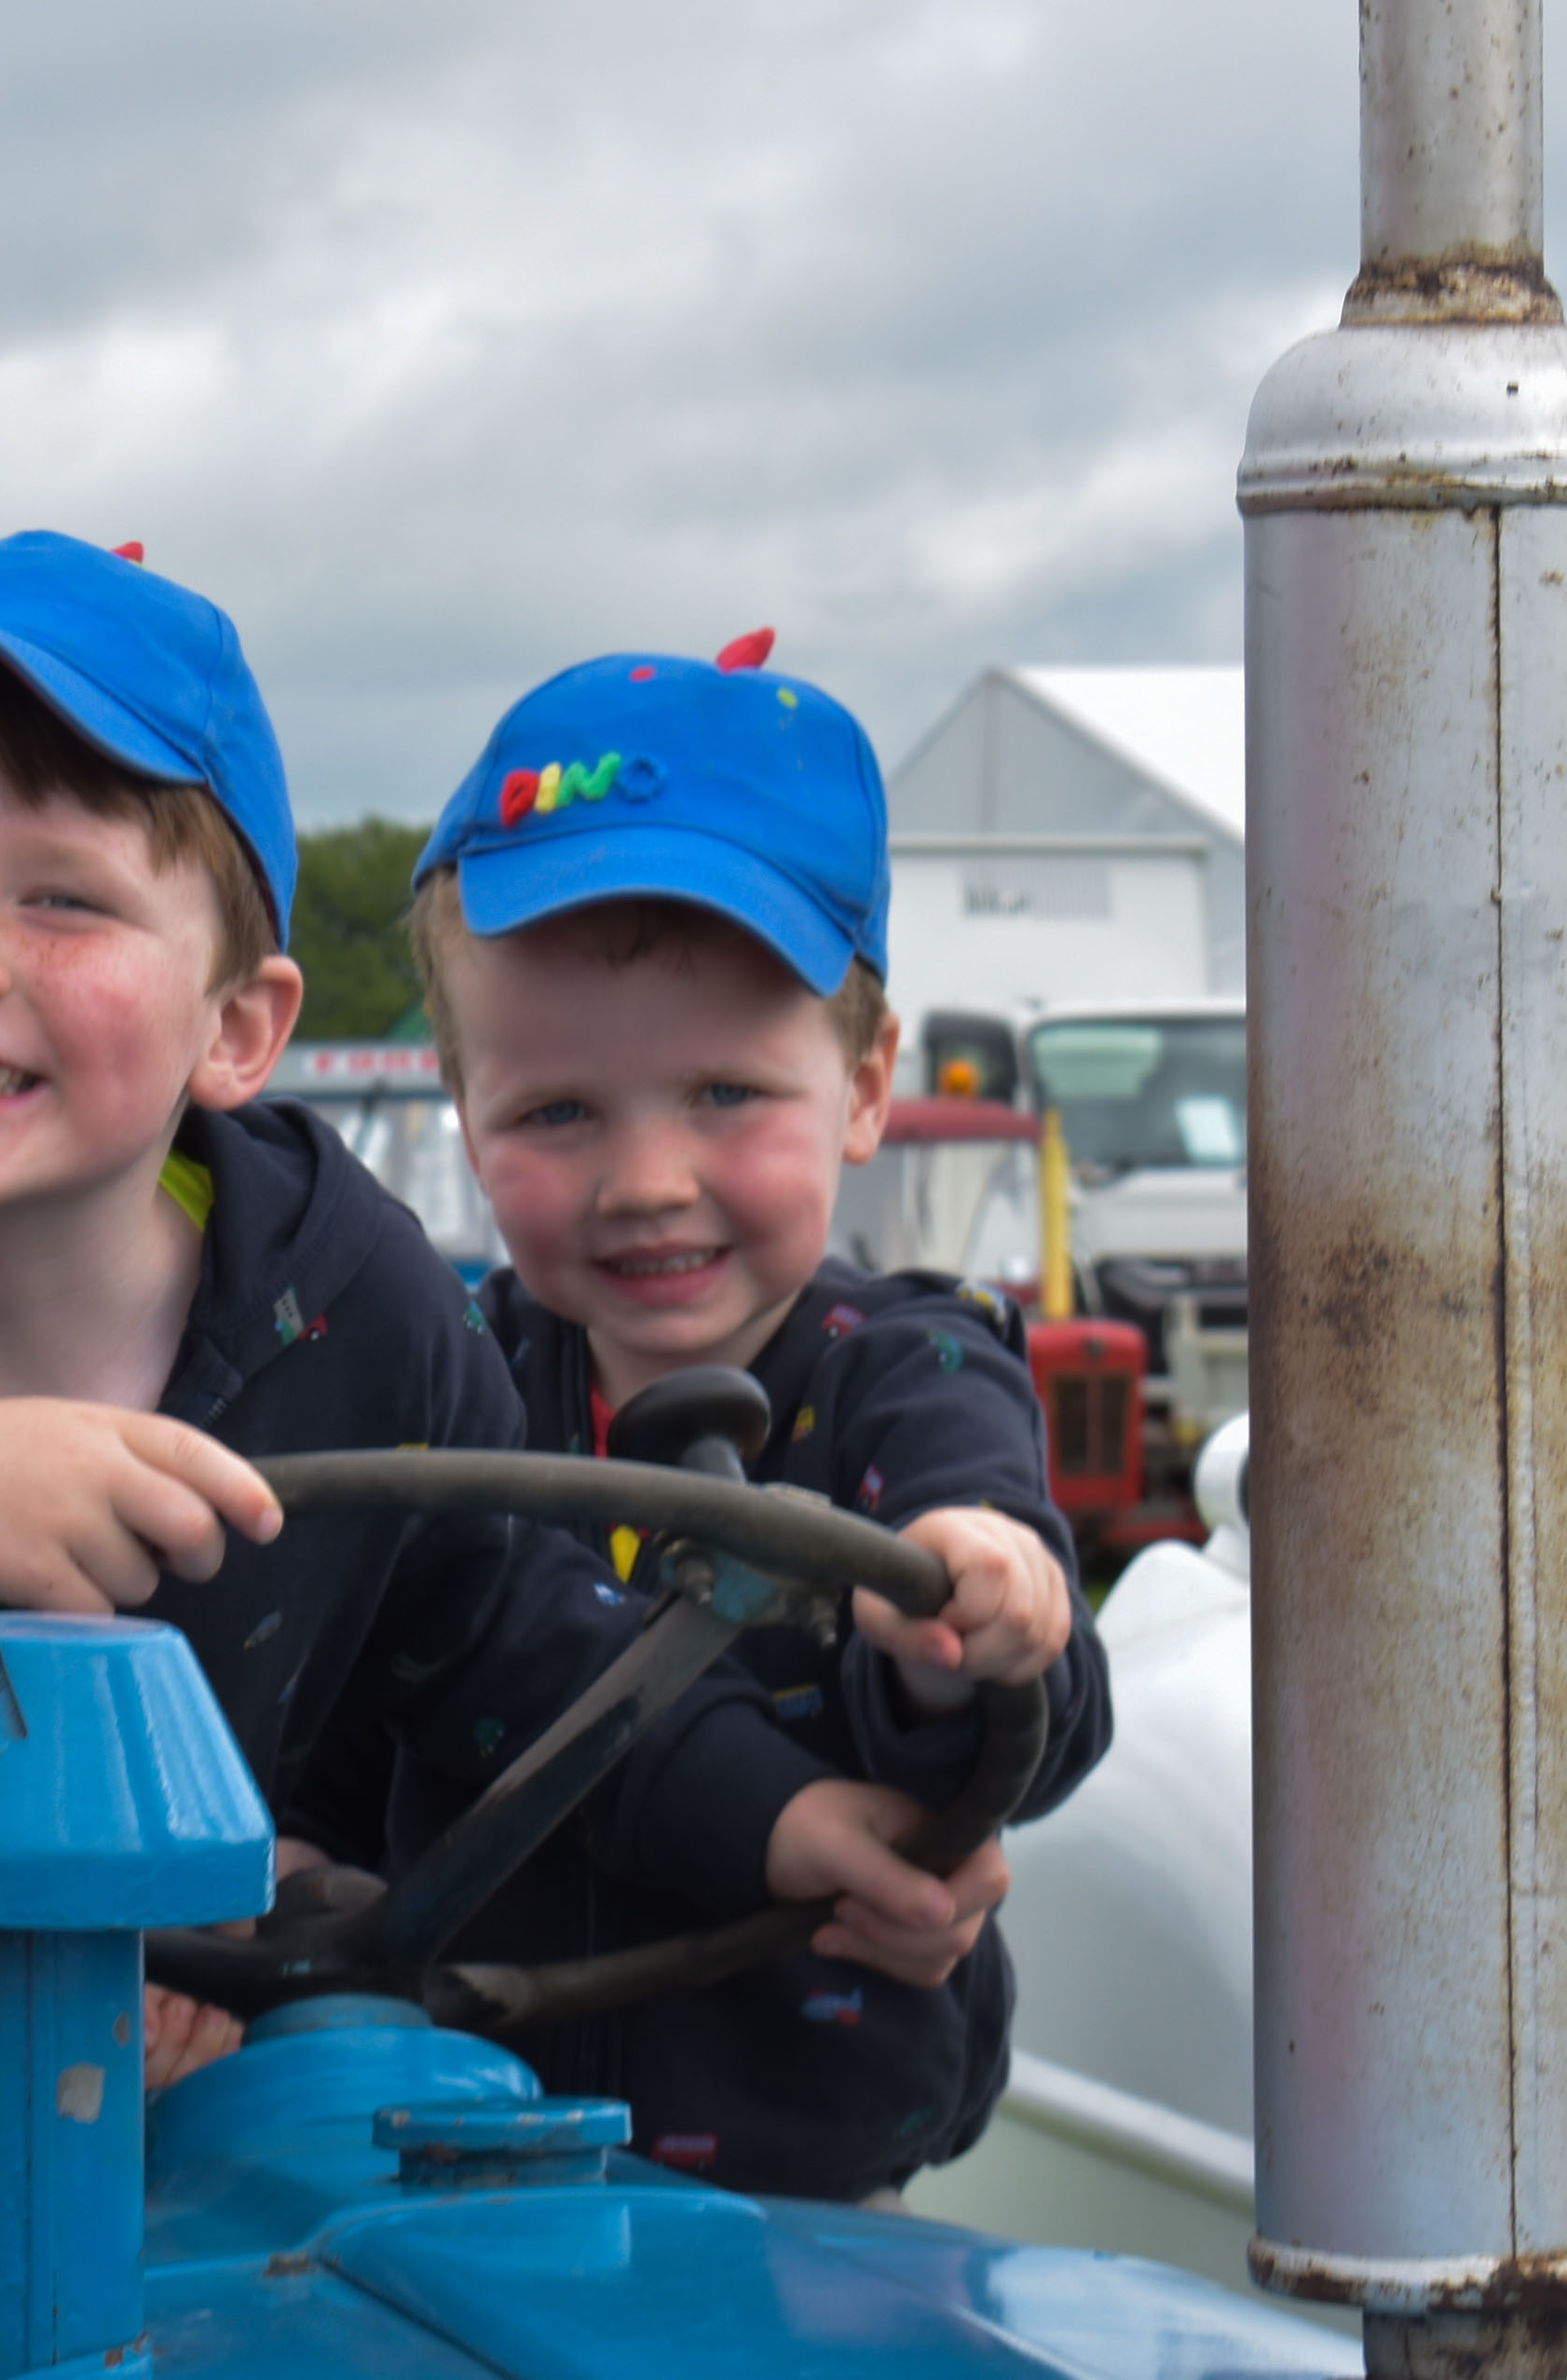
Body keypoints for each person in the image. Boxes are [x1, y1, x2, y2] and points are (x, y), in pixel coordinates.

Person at [0, 537, 1009, 2375]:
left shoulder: (347, 1304)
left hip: (166, 2175)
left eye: (60, 900)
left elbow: (522, 1655)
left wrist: (790, 1826)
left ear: (238, 1027)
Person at [396, 638, 1114, 2203]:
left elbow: (1042, 1720)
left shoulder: (912, 1374)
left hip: (803, 2201)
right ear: (463, 1108)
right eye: (556, 1111)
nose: (646, 1182)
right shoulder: (447, 1383)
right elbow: (383, 1675)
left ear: (864, 1086)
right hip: (437, 2165)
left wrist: (967, 1619)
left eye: (724, 1094)